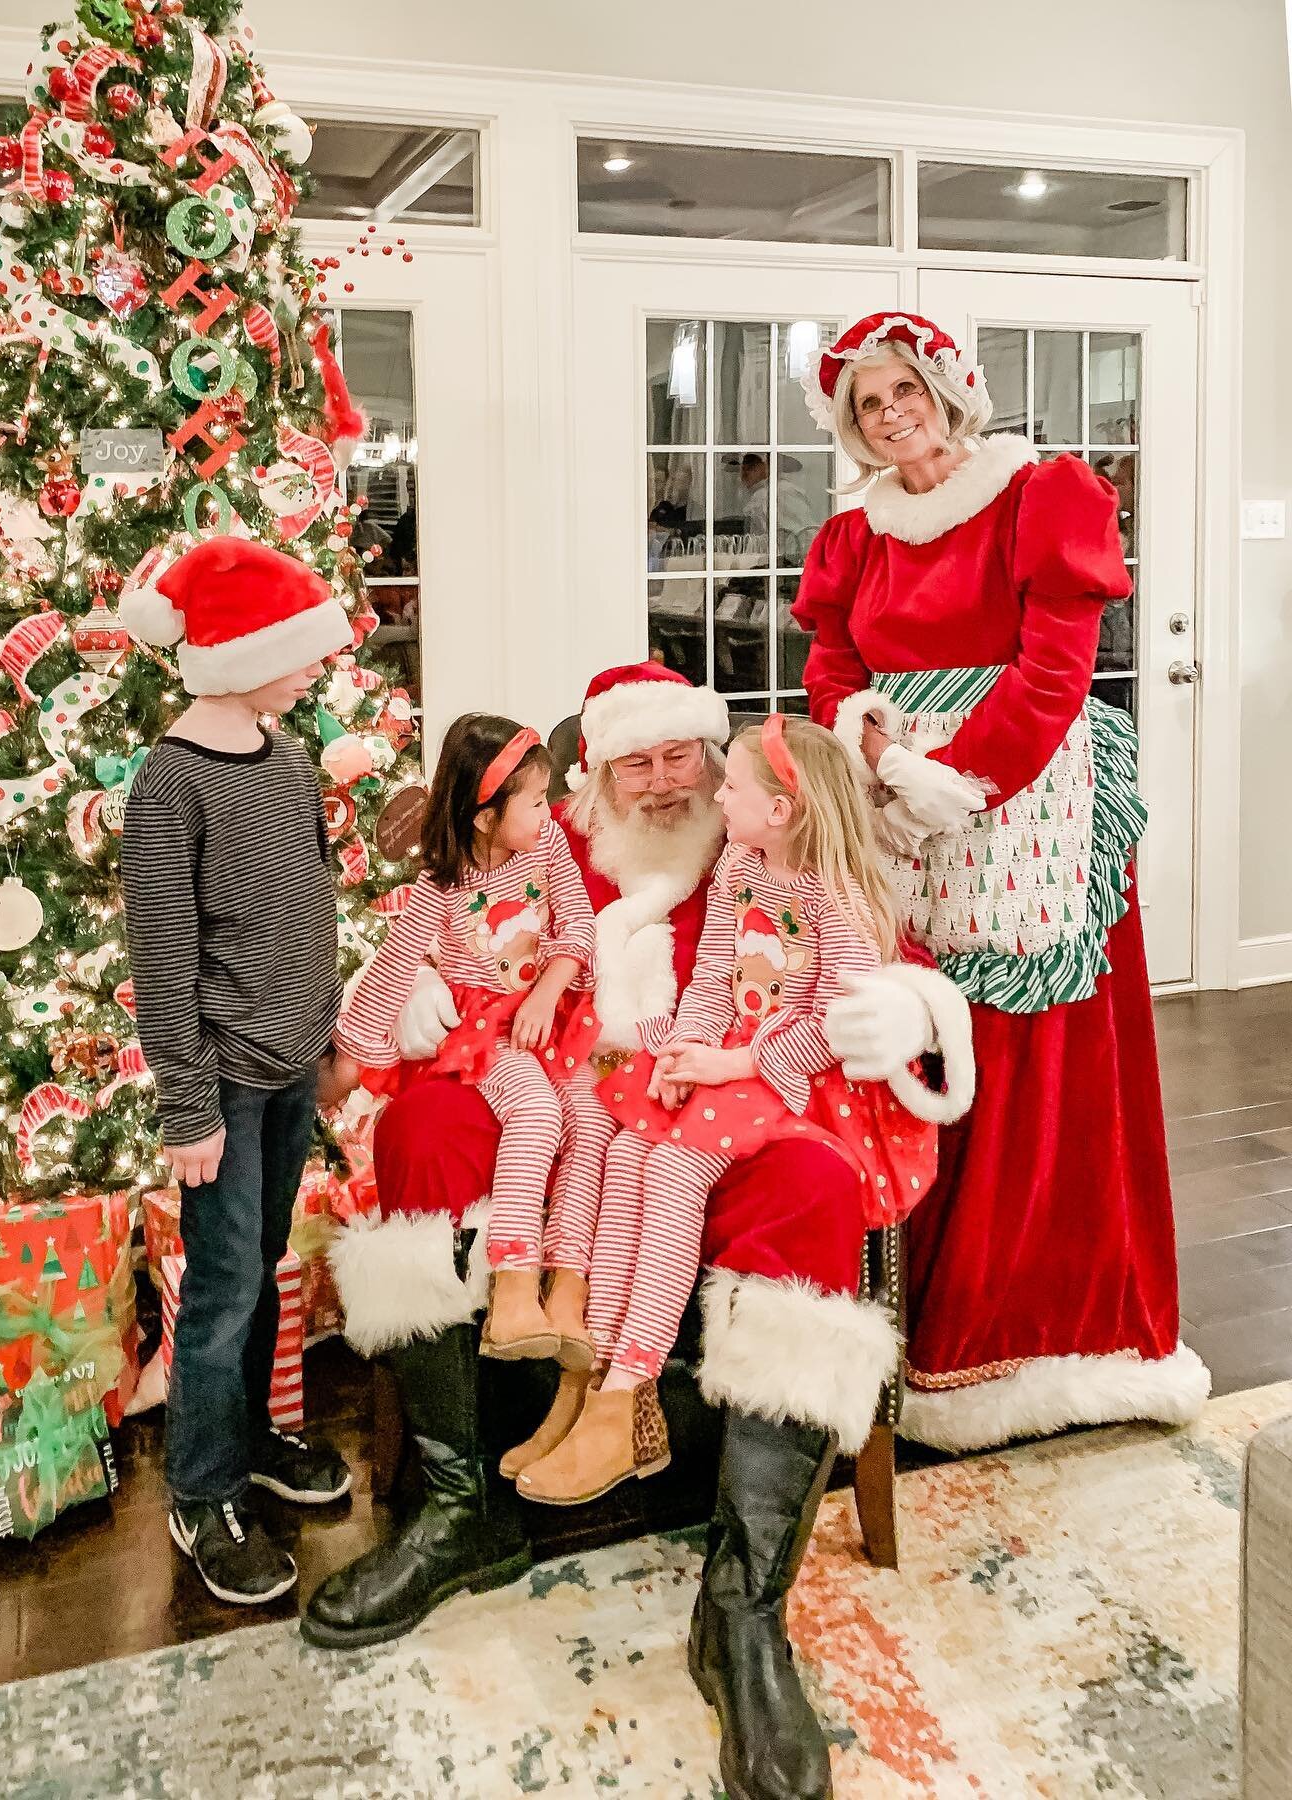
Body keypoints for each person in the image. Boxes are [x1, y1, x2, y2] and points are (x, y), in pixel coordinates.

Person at [304, 662, 973, 1800]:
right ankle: (465, 1509)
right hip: (562, 1078)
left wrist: (899, 1010)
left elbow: (872, 956)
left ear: (724, 773)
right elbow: (453, 906)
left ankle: (743, 1607)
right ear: (597, 778)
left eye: (681, 759)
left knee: (810, 1191)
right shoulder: (556, 840)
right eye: (634, 765)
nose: (661, 786)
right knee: (422, 1124)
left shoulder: (770, 854)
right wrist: (412, 994)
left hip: (731, 1100)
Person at [794, 310, 1210, 1453]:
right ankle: (921, 1311)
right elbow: (834, 660)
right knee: (923, 1027)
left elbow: (1050, 675)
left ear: (945, 387)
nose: (889, 416)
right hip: (898, 811)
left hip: (1027, 805)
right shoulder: (855, 534)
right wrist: (878, 753)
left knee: (1031, 1051)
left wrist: (957, 779)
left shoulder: (1044, 495)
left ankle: (1040, 1326)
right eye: (866, 404)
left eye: (902, 391)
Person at [514, 716, 938, 1508]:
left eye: (732, 784)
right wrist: (684, 1053)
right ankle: (599, 1376)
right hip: (726, 1055)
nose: (716, 791)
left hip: (798, 1080)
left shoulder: (833, 894)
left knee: (672, 1168)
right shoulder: (743, 863)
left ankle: (632, 1375)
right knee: (629, 1149)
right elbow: (712, 976)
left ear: (780, 809)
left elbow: (837, 1030)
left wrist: (734, 1061)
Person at [119, 537, 355, 1608]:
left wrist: (329, 1036)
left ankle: (254, 1433)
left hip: (294, 1065)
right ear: (236, 652)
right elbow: (163, 956)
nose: (316, 670)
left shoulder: (289, 758)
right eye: (301, 652)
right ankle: (202, 1488)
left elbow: (312, 906)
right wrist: (186, 1107)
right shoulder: (171, 784)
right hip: (221, 1086)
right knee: (219, 1292)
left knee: (264, 1266)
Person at [327, 713, 614, 1363]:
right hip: (491, 1033)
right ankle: (514, 1288)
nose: (550, 811)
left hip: (554, 1013)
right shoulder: (440, 887)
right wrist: (346, 1065)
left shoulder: (548, 849)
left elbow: (577, 928)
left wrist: (546, 992)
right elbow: (394, 968)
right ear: (485, 816)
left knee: (592, 1122)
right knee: (537, 1113)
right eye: (537, 801)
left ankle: (567, 1290)